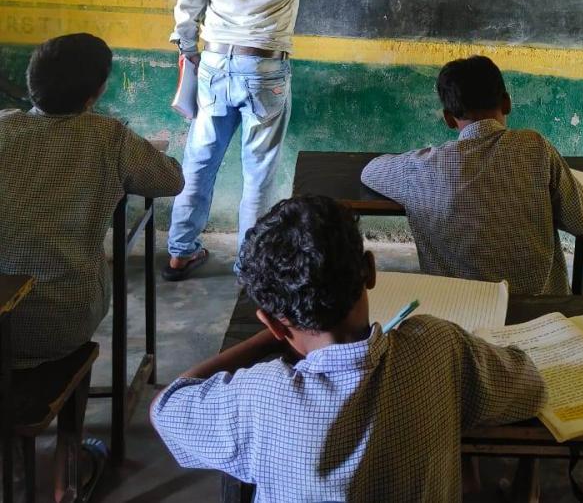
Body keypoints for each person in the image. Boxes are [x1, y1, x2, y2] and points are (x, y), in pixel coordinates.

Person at [152, 195, 545, 502]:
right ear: (370, 271)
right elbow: (530, 386)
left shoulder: (259, 396)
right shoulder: (440, 347)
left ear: (272, 323)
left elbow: (166, 406)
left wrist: (267, 339)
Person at [0, 33, 183, 500]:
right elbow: (170, 180)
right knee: (77, 299)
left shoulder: (3, 128)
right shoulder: (108, 136)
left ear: (32, 82)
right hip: (60, 320)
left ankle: (17, 462)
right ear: (95, 93)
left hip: (1, 316)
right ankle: (70, 464)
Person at [164, 0, 354, 280]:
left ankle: (179, 252)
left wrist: (189, 50)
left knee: (199, 162)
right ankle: (249, 265)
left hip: (214, 63)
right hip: (264, 70)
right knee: (259, 172)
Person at [361, 55, 583, 295]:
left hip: (460, 311)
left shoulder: (423, 167)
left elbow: (370, 171)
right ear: (507, 103)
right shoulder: (536, 147)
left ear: (448, 118)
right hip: (541, 311)